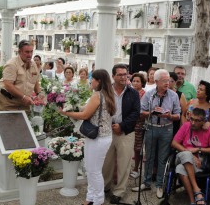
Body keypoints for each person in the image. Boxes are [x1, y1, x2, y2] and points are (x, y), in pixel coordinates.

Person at [58, 69, 116, 205]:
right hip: (101, 137)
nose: (91, 81)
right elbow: (85, 108)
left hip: (98, 138)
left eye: (93, 79)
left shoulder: (97, 95)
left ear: (99, 81)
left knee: (94, 171)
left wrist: (66, 114)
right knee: (90, 169)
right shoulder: (108, 94)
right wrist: (72, 105)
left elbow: (85, 115)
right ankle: (90, 198)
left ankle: (98, 200)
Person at [132, 69, 181, 199]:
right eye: (164, 80)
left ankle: (159, 184)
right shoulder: (149, 94)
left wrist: (169, 115)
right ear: (157, 81)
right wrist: (152, 112)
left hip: (166, 129)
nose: (167, 83)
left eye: (169, 80)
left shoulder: (173, 95)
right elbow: (141, 112)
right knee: (149, 156)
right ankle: (146, 182)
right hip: (151, 127)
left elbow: (178, 115)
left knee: (162, 158)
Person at [0, 40, 41, 163]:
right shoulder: (11, 64)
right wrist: (24, 97)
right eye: (26, 52)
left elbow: (36, 82)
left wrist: (39, 94)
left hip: (24, 101)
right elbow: (8, 85)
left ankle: (17, 152)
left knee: (22, 125)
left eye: (31, 52)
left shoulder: (33, 64)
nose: (29, 55)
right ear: (19, 52)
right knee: (3, 125)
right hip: (9, 100)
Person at [103, 64, 140, 204]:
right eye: (120, 75)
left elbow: (136, 113)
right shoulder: (105, 92)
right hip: (107, 131)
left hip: (126, 132)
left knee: (124, 163)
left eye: (125, 74)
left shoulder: (133, 93)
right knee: (106, 162)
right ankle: (105, 186)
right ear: (113, 76)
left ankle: (119, 191)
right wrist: (111, 125)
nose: (124, 77)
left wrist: (122, 126)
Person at [172, 108, 210, 205]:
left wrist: (199, 149)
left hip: (199, 163)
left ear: (203, 121)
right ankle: (196, 189)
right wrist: (190, 155)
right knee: (186, 155)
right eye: (192, 119)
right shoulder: (186, 126)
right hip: (182, 157)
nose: (193, 123)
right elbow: (174, 143)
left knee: (180, 168)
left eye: (197, 120)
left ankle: (192, 201)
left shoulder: (209, 130)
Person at [129, 73, 146, 179]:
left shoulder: (144, 94)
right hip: (129, 122)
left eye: (137, 81)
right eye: (134, 81)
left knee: (137, 147)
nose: (135, 83)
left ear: (142, 83)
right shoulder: (129, 92)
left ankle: (136, 168)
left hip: (139, 123)